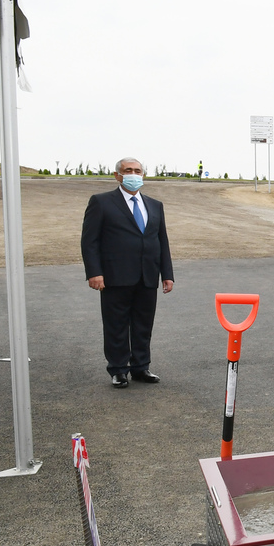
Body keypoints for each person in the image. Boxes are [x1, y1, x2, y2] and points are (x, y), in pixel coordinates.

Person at [81, 157, 174, 388]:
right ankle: (118, 369)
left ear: (143, 175)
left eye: (137, 171)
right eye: (128, 170)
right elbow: (90, 241)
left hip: (147, 275)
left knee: (143, 325)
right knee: (116, 325)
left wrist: (167, 274)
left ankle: (141, 367)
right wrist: (94, 272)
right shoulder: (101, 202)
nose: (134, 174)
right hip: (115, 276)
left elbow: (161, 240)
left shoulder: (155, 205)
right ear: (117, 175)